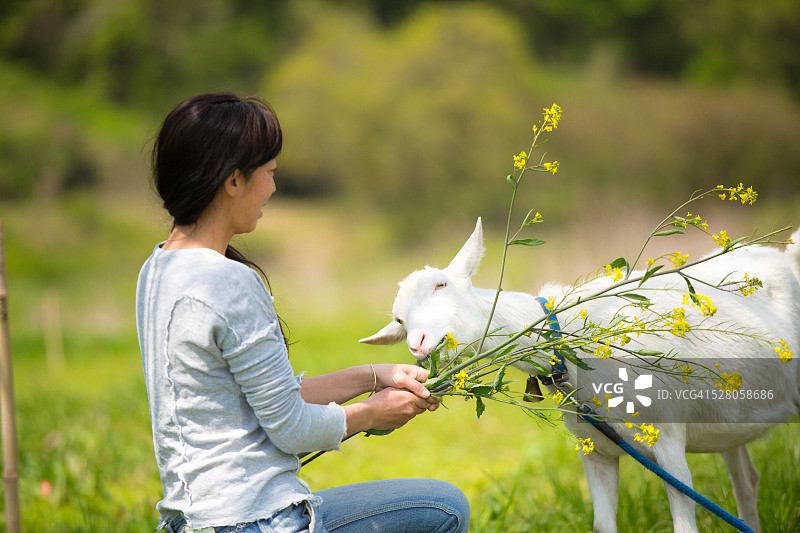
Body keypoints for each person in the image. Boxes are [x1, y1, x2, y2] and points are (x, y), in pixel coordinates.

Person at [135, 93, 470, 533]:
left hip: (193, 521)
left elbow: (266, 399)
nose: (273, 188)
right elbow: (290, 428)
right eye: (269, 173)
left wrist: (376, 374)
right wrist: (372, 413)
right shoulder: (227, 282)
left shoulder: (158, 268)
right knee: (446, 508)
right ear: (232, 180)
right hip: (254, 521)